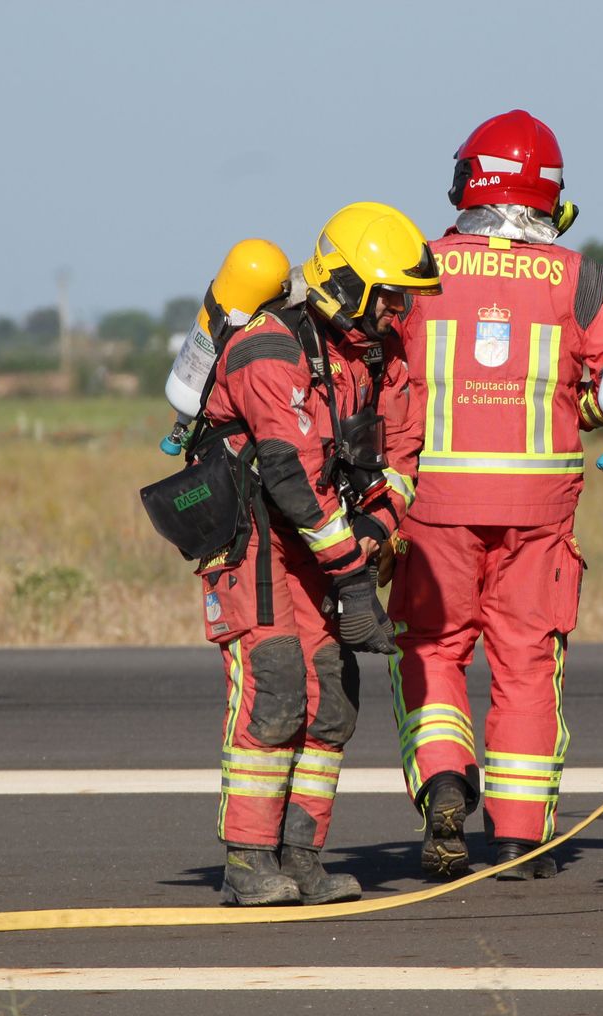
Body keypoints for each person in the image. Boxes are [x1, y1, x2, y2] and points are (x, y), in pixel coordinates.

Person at [387, 110, 603, 880]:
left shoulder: (416, 265)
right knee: (528, 665)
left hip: (433, 506)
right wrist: (571, 409)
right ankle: (521, 840)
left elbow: (380, 377)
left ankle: (446, 782)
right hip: (539, 512)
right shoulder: (584, 279)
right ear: (549, 196)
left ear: (468, 182)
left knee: (432, 651)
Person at [199, 202, 437, 905]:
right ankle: (248, 861)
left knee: (331, 697)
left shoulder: (370, 355)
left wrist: (380, 529)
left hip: (323, 548)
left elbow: (402, 457)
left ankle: (301, 855)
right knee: (275, 689)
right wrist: (356, 582)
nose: (399, 311)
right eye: (389, 295)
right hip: (260, 547)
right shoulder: (268, 350)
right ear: (348, 285)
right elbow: (293, 479)